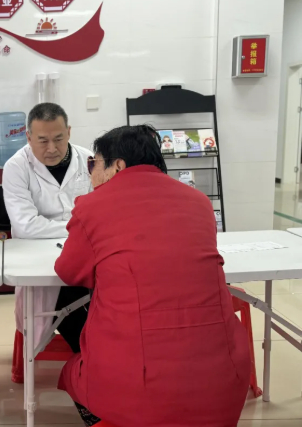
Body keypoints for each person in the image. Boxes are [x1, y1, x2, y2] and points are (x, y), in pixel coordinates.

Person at [55, 125, 250, 427]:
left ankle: (102, 418)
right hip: (225, 384)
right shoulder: (199, 202)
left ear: (117, 166)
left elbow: (69, 271)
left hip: (136, 390)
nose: (91, 173)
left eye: (94, 164)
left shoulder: (92, 207)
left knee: (73, 371)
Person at [2, 103, 92, 355]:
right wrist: (79, 227)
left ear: (69, 132)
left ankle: (92, 356)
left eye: (58, 139)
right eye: (42, 141)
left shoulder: (88, 160)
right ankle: (90, 358)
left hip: (81, 253)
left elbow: (101, 213)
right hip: (36, 257)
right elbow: (25, 226)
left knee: (99, 296)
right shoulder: (16, 167)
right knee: (67, 300)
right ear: (28, 137)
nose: (51, 148)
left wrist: (82, 230)